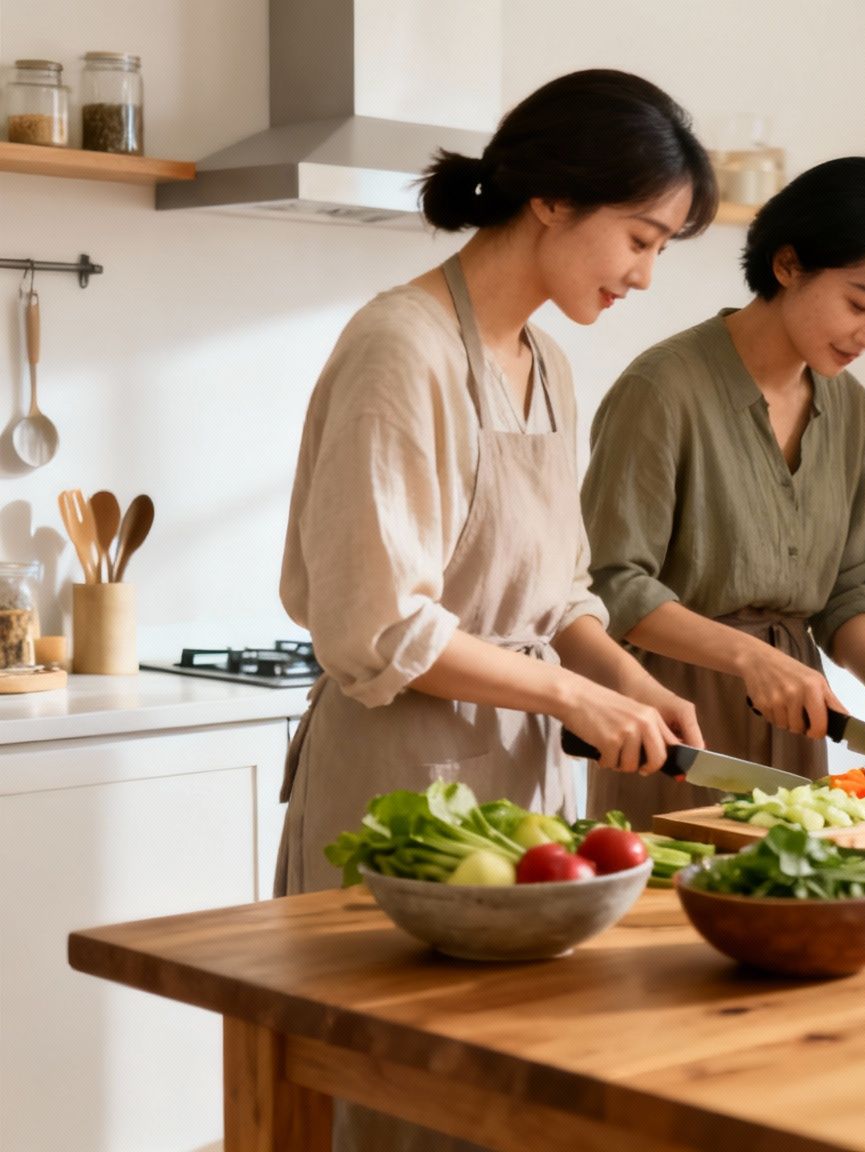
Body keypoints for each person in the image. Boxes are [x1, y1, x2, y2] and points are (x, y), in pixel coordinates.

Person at [278, 69, 719, 904]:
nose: (646, 276)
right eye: (640, 239)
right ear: (552, 199)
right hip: (401, 790)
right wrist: (572, 695)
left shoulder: (547, 364)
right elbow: (381, 627)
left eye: (661, 249)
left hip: (527, 784)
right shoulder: (401, 349)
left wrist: (630, 683)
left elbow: (558, 597)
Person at [581, 157, 865, 822]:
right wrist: (750, 657)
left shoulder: (849, 409)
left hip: (797, 718)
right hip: (672, 720)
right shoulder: (662, 390)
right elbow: (610, 584)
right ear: (787, 265)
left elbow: (851, 589)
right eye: (859, 304)